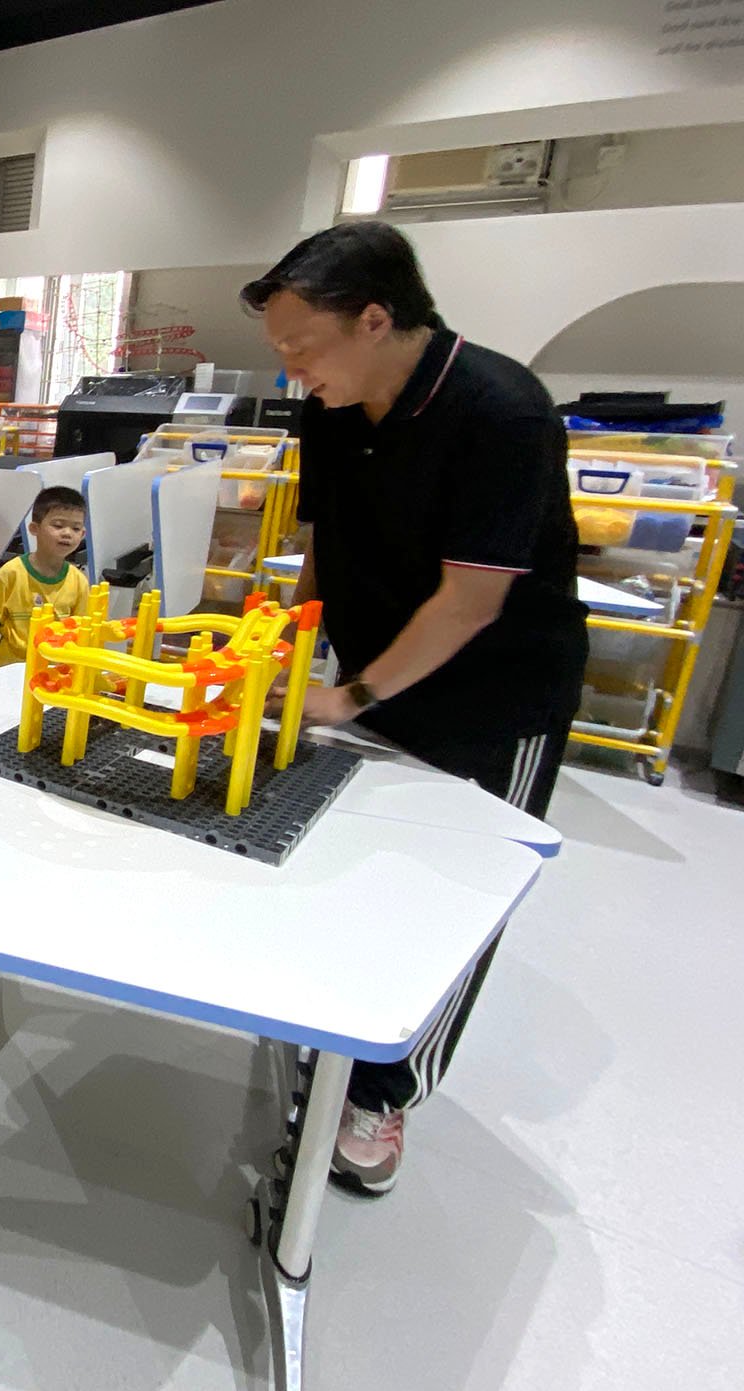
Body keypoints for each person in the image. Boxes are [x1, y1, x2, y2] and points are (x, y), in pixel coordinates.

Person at [241, 220, 587, 1196]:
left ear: (375, 318)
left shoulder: (500, 411)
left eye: (301, 345)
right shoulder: (329, 405)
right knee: (357, 860)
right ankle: (335, 1024)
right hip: (370, 674)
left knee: (458, 891)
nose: (291, 369)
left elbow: (471, 600)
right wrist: (292, 643)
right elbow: (322, 542)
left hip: (493, 695)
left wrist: (347, 696)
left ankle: (382, 1094)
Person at [0, 486, 88, 670]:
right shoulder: (10, 573)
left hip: (53, 673)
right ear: (34, 528)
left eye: (75, 528)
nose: (67, 533)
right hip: (11, 670)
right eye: (58, 525)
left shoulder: (79, 581)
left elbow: (80, 632)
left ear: (83, 534)